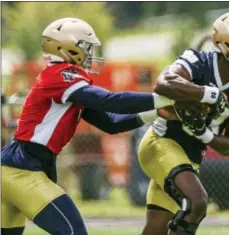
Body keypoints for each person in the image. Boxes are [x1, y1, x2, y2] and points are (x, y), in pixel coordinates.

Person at [1, 18, 177, 235]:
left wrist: (155, 112)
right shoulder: (62, 75)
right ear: (68, 48)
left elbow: (111, 123)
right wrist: (162, 98)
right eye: (86, 47)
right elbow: (111, 100)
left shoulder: (65, 82)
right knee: (74, 232)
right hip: (24, 170)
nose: (90, 54)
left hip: (14, 169)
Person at [138, 11, 229, 235]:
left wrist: (203, 133)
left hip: (190, 157)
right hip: (161, 142)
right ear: (228, 43)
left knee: (155, 228)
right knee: (196, 202)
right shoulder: (199, 61)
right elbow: (163, 83)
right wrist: (207, 94)